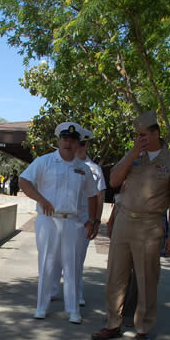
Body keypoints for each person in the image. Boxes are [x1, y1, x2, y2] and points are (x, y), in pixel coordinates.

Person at [91, 111, 170, 340]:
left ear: (156, 133)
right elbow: (114, 182)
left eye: (144, 135)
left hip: (150, 224)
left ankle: (143, 328)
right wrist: (134, 152)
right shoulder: (133, 155)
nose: (140, 139)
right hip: (124, 220)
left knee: (147, 279)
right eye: (137, 135)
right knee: (116, 275)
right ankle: (112, 323)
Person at [19, 122, 99, 324]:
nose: (68, 143)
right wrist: (41, 199)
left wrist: (91, 220)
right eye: (65, 139)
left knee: (71, 266)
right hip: (48, 221)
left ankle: (73, 310)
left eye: (73, 140)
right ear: (59, 140)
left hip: (72, 222)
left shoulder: (83, 169)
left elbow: (92, 195)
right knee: (46, 264)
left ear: (77, 143)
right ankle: (41, 307)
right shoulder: (44, 161)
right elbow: (24, 181)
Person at [50, 127, 106, 306]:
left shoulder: (95, 169)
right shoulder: (61, 163)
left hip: (83, 221)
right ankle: (52, 289)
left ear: (87, 144)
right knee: (56, 255)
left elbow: (99, 197)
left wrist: (96, 221)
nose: (79, 147)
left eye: (82, 143)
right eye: (76, 143)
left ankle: (76, 293)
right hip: (60, 218)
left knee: (77, 259)